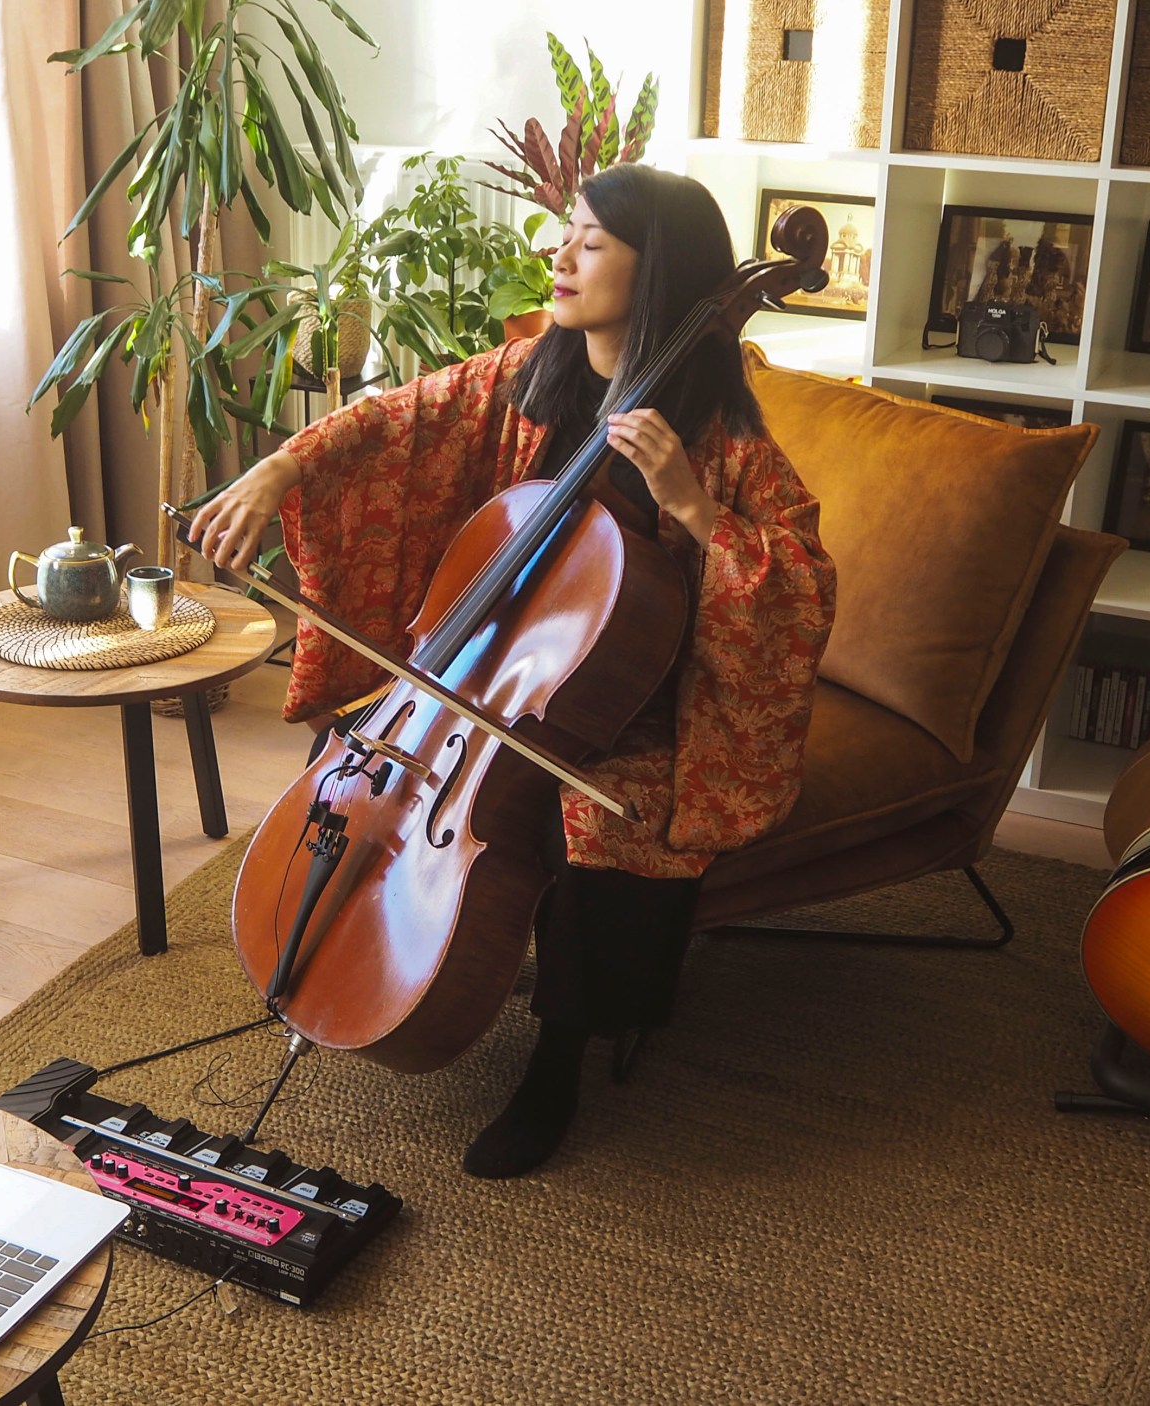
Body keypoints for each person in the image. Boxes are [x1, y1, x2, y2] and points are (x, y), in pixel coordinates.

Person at [186, 165, 835, 1179]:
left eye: (588, 242)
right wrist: (279, 468)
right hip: (497, 673)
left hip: (646, 698)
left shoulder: (720, 427)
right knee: (347, 753)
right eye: (563, 234)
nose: (555, 255)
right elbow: (394, 419)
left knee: (597, 823)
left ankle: (558, 1058)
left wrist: (695, 509)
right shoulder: (533, 372)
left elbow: (798, 583)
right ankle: (336, 965)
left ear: (653, 267)